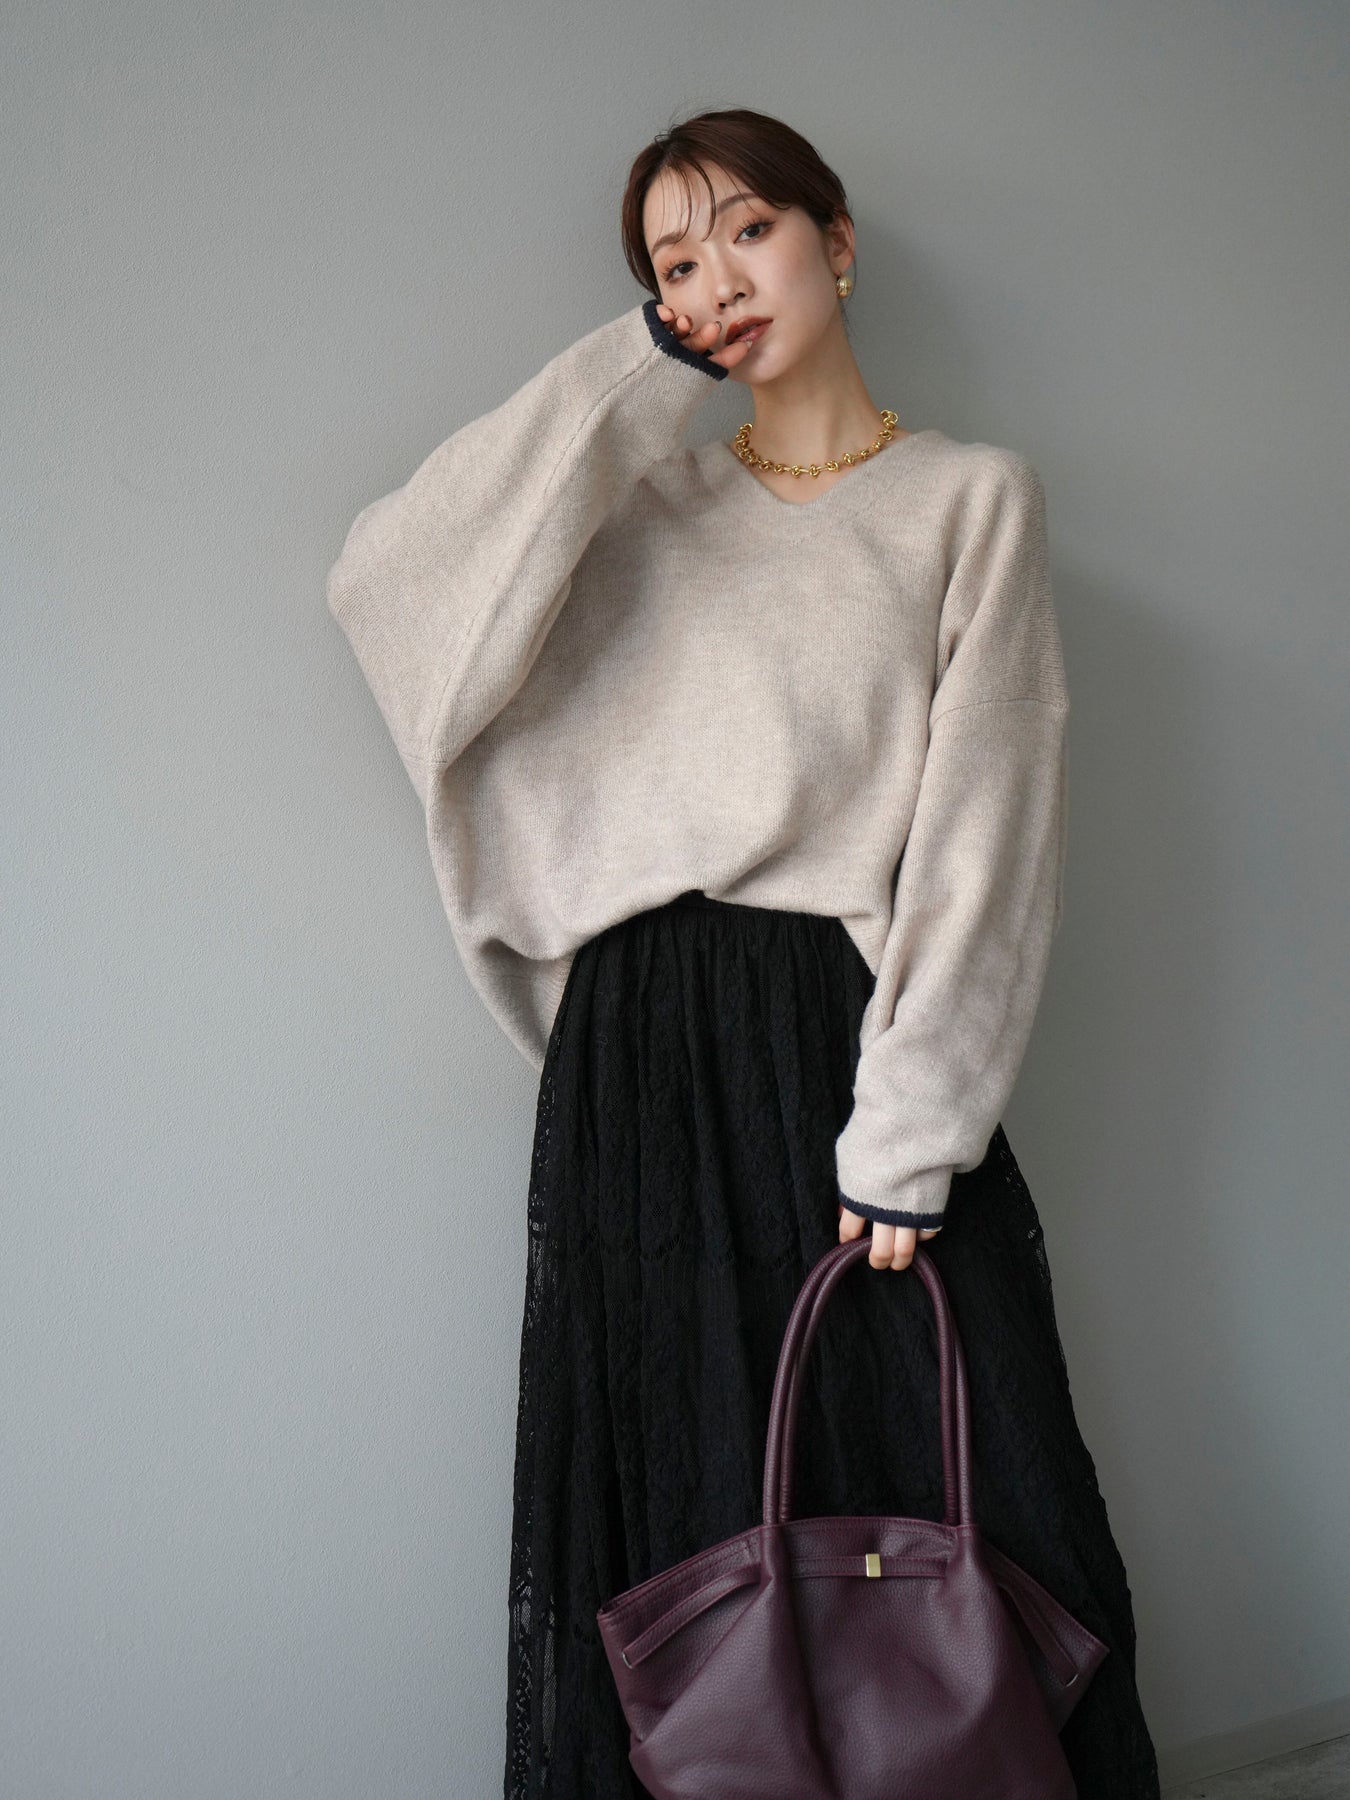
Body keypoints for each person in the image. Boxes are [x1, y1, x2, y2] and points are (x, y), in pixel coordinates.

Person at [325, 105, 1162, 1800]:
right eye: (672, 261)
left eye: (746, 231)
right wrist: (635, 374)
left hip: (847, 1040)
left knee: (941, 1478)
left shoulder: (966, 500)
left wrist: (913, 1129)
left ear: (834, 243)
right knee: (687, 1511)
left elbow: (986, 836)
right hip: (638, 1059)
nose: (715, 279)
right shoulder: (632, 506)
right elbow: (386, 589)